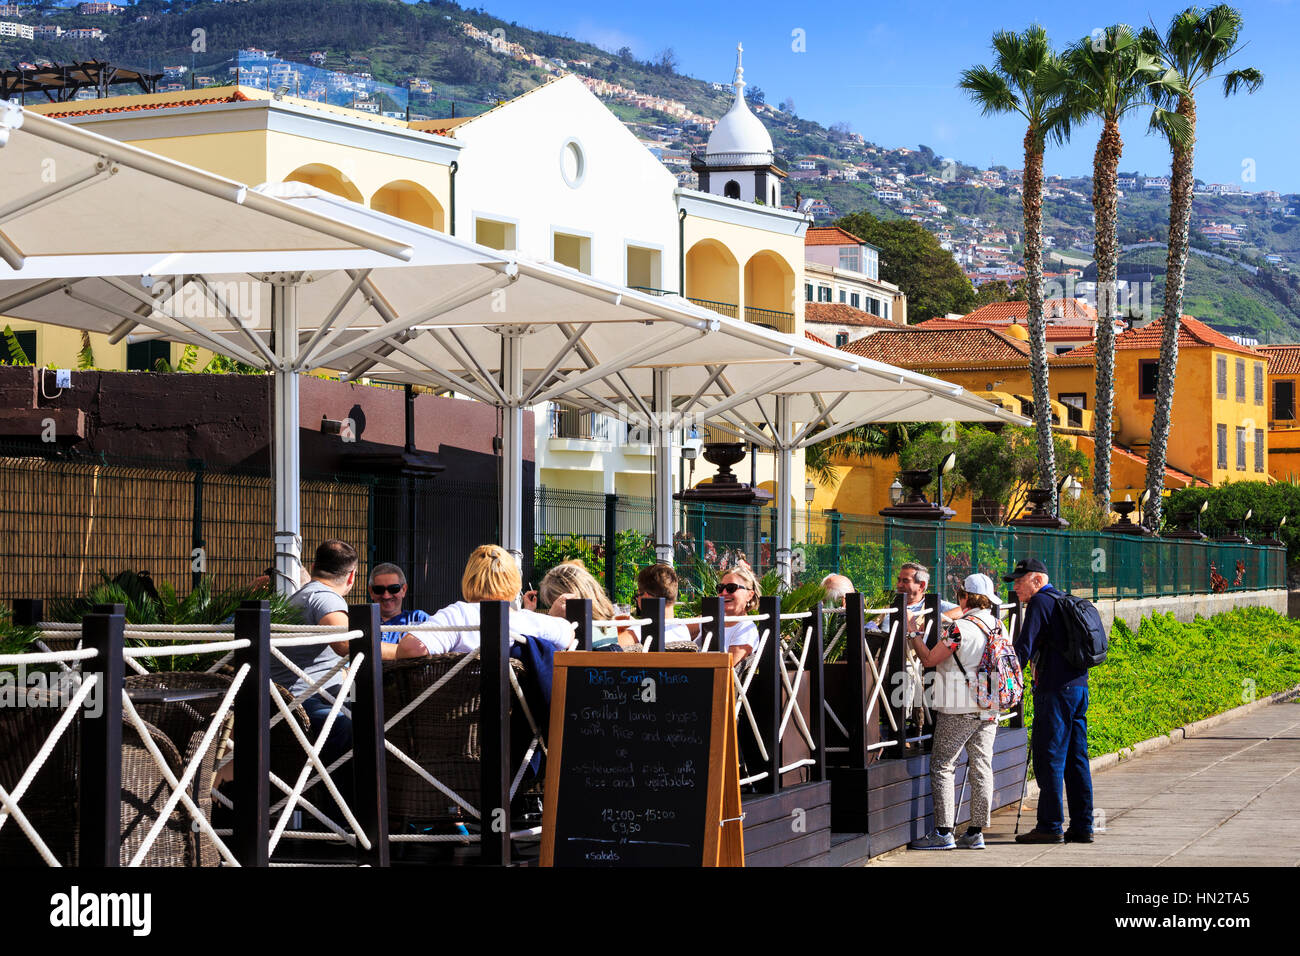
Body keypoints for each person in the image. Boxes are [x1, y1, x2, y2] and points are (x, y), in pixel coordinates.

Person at [906, 573, 1004, 850]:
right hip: (989, 706)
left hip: (958, 707)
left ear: (964, 596)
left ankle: (943, 832)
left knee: (943, 766)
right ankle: (975, 832)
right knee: (982, 766)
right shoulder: (998, 625)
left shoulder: (959, 629)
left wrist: (913, 633)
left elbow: (928, 659)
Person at [1005, 557, 1094, 845]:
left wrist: (1004, 685)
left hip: (1055, 691)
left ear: (1038, 580)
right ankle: (1082, 826)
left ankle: (1050, 825)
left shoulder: (1041, 603)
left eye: (1020, 580)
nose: (1015, 586)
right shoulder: (1062, 599)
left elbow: (1023, 647)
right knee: (1076, 759)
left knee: (1050, 758)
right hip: (1078, 689)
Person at [395, 545, 576, 657]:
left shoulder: (459, 615)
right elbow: (569, 636)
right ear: (514, 582)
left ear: (469, 578)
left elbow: (411, 649)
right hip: (522, 716)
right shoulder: (530, 622)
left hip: (459, 715)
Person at [277, 540, 365, 768]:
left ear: (314, 565)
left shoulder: (303, 596)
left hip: (293, 701)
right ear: (352, 576)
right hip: (305, 705)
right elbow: (347, 644)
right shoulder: (325, 597)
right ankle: (344, 802)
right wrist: (401, 651)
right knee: (361, 725)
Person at [529, 561, 638, 649]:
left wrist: (552, 620)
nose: (553, 608)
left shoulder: (575, 634)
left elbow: (540, 651)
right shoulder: (615, 627)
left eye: (553, 604)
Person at [369, 562, 430, 646]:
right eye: (379, 589)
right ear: (371, 592)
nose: (386, 596)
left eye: (393, 589)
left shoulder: (418, 619)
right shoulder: (363, 622)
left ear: (404, 590)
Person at [635, 563, 692, 645]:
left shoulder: (638, 633)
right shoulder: (683, 630)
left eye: (638, 595)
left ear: (645, 596)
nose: (637, 599)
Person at [717, 564, 762, 667]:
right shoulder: (708, 619)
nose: (723, 592)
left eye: (731, 588)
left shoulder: (746, 629)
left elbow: (726, 671)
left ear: (749, 595)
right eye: (720, 588)